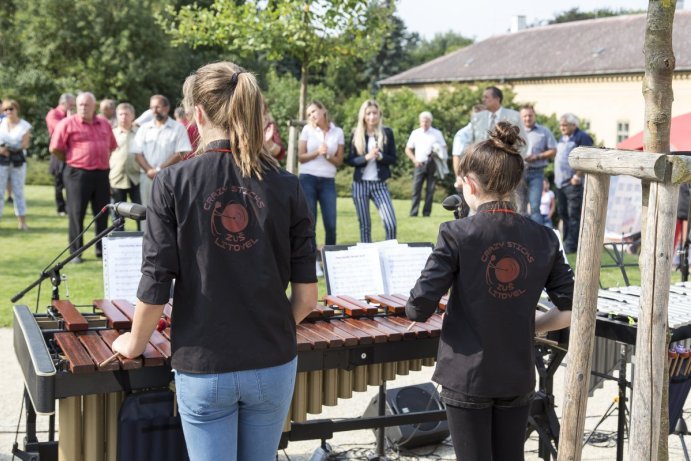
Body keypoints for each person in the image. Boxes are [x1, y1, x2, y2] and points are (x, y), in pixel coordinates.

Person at [111, 61, 317, 461]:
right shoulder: (288, 185)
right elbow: (307, 299)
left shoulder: (170, 182)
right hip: (272, 359)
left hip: (204, 364)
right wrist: (263, 328)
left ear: (198, 115)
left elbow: (156, 280)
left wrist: (134, 343)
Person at [406, 122, 573, 461]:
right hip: (517, 372)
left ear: (469, 184)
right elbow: (573, 309)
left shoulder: (456, 233)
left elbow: (418, 308)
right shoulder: (545, 237)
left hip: (467, 375)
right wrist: (532, 325)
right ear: (515, 184)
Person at [49, 92, 118, 262]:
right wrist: (69, 160)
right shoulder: (67, 123)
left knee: (102, 213)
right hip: (77, 173)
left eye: (86, 105)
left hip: (101, 173)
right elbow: (55, 148)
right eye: (80, 105)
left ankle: (102, 250)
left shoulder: (104, 123)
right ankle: (76, 252)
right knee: (76, 213)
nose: (83, 107)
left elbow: (112, 145)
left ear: (94, 106)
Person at [297, 100, 344, 275]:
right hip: (308, 178)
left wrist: (327, 155)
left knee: (331, 223)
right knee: (311, 222)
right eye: (309, 114)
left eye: (314, 111)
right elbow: (301, 157)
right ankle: (314, 261)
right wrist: (317, 152)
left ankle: (330, 261)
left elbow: (339, 161)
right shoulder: (307, 130)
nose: (312, 116)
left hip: (327, 181)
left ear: (323, 110)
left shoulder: (337, 131)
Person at [346, 99, 397, 242]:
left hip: (380, 185)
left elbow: (393, 158)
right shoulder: (355, 134)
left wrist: (380, 156)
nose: (372, 117)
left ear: (379, 114)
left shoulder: (387, 133)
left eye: (375, 113)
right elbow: (350, 160)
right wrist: (366, 157)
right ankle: (367, 259)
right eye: (368, 113)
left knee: (390, 223)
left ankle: (391, 253)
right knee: (365, 226)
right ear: (363, 115)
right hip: (360, 185)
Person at [132, 95, 192, 206]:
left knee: (169, 211)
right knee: (145, 212)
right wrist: (149, 171)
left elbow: (181, 153)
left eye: (157, 107)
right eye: (152, 107)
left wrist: (159, 170)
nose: (154, 111)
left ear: (166, 108)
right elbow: (137, 153)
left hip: (169, 177)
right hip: (147, 177)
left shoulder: (178, 128)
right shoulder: (144, 128)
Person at [555, 113, 593, 254]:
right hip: (560, 184)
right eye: (561, 125)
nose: (562, 127)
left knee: (573, 216)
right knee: (563, 214)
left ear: (573, 125)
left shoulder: (582, 137)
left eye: (565, 125)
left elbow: (587, 157)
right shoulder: (562, 138)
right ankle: (566, 243)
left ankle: (572, 246)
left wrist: (577, 176)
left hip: (573, 184)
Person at [405, 111, 447, 217]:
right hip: (419, 164)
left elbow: (444, 147)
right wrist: (414, 160)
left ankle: (426, 213)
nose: (424, 124)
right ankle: (413, 213)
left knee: (430, 190)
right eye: (422, 122)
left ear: (430, 121)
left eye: (426, 122)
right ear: (420, 122)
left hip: (432, 164)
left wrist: (437, 150)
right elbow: (408, 149)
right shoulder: (415, 133)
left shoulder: (437, 133)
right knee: (416, 189)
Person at [520, 104, 556, 223]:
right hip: (519, 173)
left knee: (535, 207)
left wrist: (538, 156)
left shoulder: (544, 131)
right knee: (520, 208)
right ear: (521, 117)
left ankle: (537, 239)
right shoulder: (516, 131)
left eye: (530, 115)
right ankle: (519, 238)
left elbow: (553, 150)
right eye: (525, 116)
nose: (527, 118)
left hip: (536, 172)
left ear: (534, 116)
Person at [0, 99, 32, 230]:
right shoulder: (1, 123)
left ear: (16, 109)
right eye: (6, 109)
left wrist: (9, 148)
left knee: (18, 191)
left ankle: (22, 222)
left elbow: (24, 144)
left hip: (17, 161)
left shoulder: (24, 125)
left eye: (11, 109)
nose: (8, 112)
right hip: (2, 160)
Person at [109, 103, 141, 230]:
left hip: (136, 178)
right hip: (116, 179)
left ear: (133, 116)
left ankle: (144, 243)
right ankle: (118, 244)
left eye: (127, 114)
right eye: (121, 114)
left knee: (141, 213)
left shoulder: (140, 133)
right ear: (117, 116)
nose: (123, 117)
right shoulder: (111, 133)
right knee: (116, 217)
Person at [451, 103, 486, 218]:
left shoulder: (489, 133)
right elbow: (456, 156)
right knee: (463, 214)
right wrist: (458, 177)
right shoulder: (463, 134)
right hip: (466, 178)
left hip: (485, 179)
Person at [46, 92, 76, 216]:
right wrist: (69, 119)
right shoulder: (53, 114)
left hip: (71, 151)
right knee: (59, 181)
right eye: (72, 104)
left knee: (70, 181)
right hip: (58, 151)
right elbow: (59, 129)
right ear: (64, 103)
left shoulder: (70, 114)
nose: (73, 106)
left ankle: (70, 207)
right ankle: (61, 208)